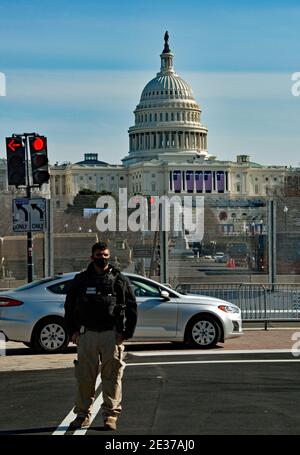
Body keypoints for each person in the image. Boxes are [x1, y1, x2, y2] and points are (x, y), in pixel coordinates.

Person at [64, 241, 137, 431]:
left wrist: (126, 333)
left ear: (109, 256)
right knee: (84, 377)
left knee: (112, 377)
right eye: (98, 255)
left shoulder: (119, 279)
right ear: (92, 257)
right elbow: (69, 307)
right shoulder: (80, 280)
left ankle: (110, 416)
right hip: (86, 335)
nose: (102, 258)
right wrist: (72, 331)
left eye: (105, 255)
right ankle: (82, 415)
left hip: (111, 335)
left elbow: (131, 306)